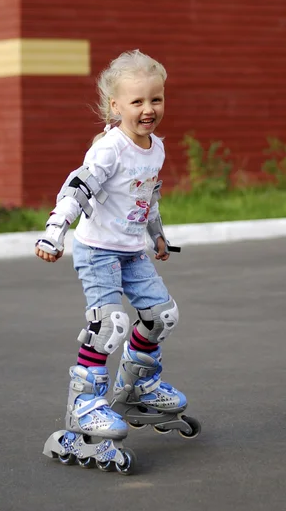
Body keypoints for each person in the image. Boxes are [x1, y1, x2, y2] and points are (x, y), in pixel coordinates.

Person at [37, 50, 200, 474]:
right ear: (115, 106)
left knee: (162, 316)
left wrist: (158, 235)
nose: (148, 110)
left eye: (156, 100)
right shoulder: (111, 148)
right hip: (97, 251)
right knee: (110, 325)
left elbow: (146, 197)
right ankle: (84, 407)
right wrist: (54, 233)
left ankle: (138, 387)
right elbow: (76, 188)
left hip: (131, 250)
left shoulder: (156, 148)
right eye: (137, 102)